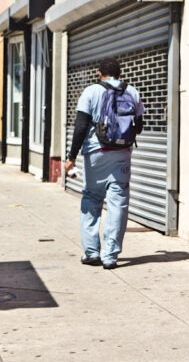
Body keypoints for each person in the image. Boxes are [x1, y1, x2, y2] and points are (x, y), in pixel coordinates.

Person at [63, 57, 144, 270]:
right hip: (122, 155)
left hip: (96, 153)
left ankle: (91, 252)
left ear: (100, 73)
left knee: (91, 199)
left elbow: (80, 126)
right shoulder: (133, 92)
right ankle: (110, 255)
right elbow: (139, 126)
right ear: (120, 73)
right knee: (118, 203)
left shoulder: (91, 91)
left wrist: (71, 157)